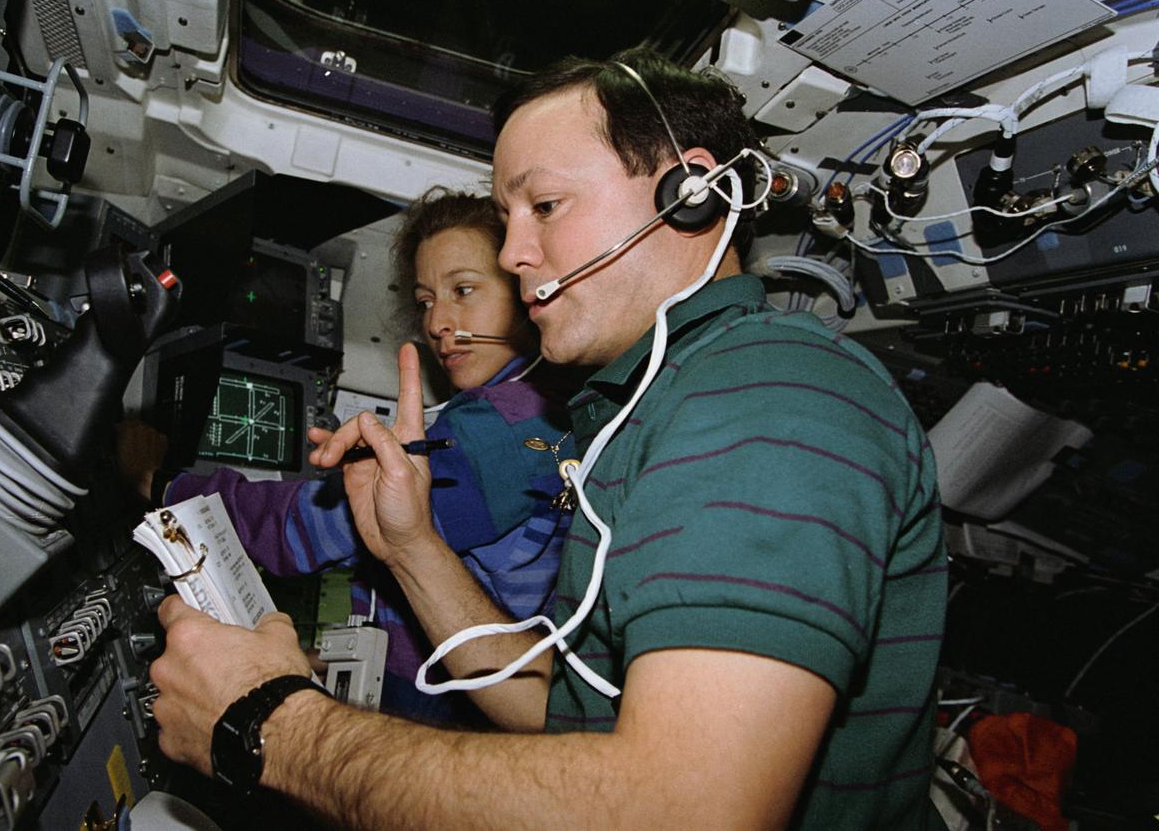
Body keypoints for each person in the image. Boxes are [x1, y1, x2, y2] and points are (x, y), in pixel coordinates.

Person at [149, 47, 947, 828]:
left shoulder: (767, 397)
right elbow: (560, 709)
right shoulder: (639, 410)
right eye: (505, 220)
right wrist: (410, 548)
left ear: (691, 193)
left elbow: (684, 811)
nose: (512, 253)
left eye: (545, 207)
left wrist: (268, 728)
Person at [136, 188, 579, 728]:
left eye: (463, 290)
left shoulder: (501, 431)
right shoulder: (540, 409)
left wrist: (160, 483)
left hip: (437, 711)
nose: (439, 322)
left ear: (525, 287)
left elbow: (303, 531)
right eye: (425, 300)